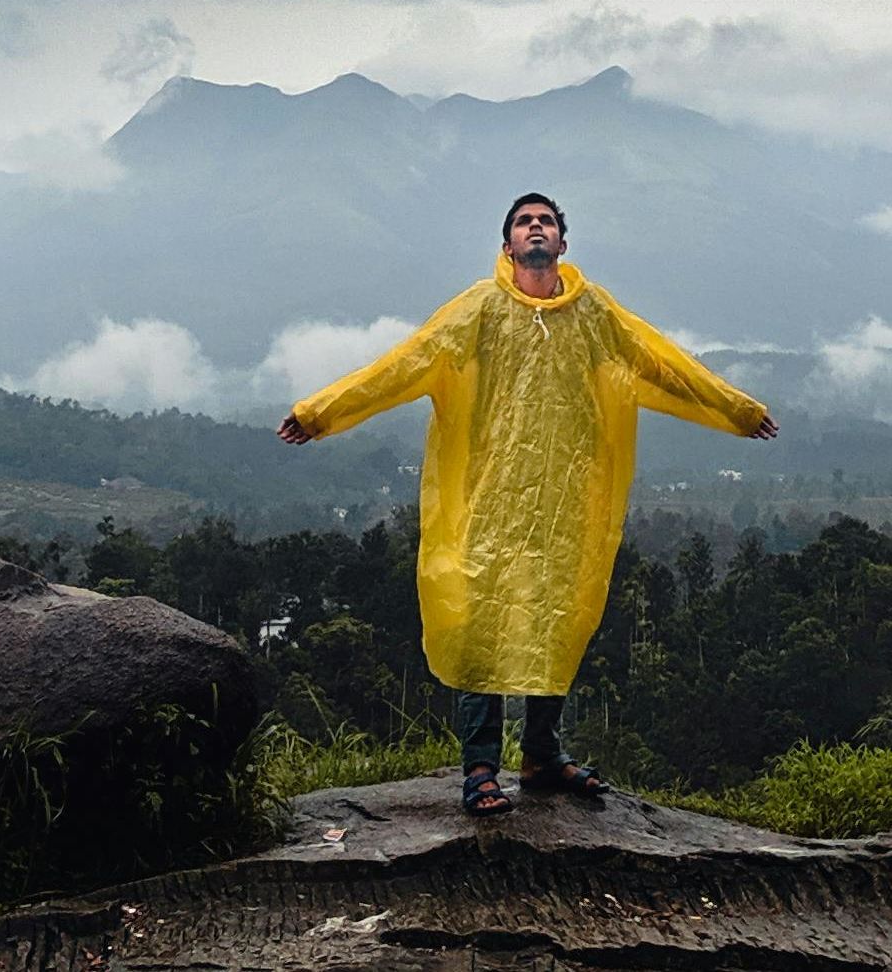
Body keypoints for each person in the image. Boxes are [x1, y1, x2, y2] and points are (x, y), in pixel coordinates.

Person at [278, 191, 779, 818]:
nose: (535, 228)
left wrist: (738, 410)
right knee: (480, 627)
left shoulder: (593, 313)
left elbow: (660, 363)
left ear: (562, 244)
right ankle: (481, 768)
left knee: (556, 621)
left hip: (568, 503)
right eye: (524, 222)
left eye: (546, 221)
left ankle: (542, 755)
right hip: (489, 500)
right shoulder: (479, 310)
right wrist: (319, 413)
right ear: (508, 244)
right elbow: (404, 365)